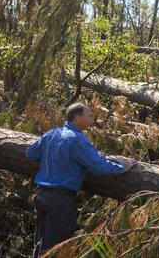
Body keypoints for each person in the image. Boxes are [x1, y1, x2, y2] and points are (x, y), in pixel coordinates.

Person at [25, 103, 136, 257]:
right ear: (78, 118)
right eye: (89, 115)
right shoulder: (76, 139)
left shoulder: (51, 134)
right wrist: (122, 168)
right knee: (57, 248)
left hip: (43, 196)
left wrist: (52, 159)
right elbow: (97, 165)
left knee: (41, 243)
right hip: (61, 200)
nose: (92, 117)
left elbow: (31, 153)